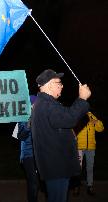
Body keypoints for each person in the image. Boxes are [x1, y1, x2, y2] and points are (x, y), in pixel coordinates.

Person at [31, 69, 91, 202]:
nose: (62, 86)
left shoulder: (43, 103)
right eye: (59, 82)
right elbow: (69, 119)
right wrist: (82, 99)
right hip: (56, 167)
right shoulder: (47, 104)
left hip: (53, 166)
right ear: (50, 84)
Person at [73, 111, 104, 196]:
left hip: (91, 147)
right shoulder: (77, 115)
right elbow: (72, 129)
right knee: (78, 168)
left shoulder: (91, 115)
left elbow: (101, 129)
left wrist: (96, 122)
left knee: (90, 167)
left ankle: (90, 186)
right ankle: (76, 186)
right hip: (79, 146)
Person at [17, 95, 39, 202]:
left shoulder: (41, 116)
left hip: (41, 154)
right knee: (33, 182)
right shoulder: (23, 117)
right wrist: (28, 125)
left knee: (40, 182)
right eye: (34, 104)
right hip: (28, 154)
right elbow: (20, 136)